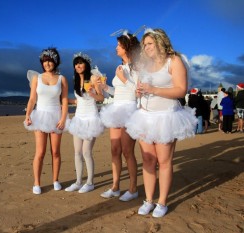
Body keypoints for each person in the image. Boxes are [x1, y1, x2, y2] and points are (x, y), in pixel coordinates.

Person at [125, 28, 197, 217]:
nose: (146, 47)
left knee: (164, 161)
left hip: (167, 116)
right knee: (148, 160)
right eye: (144, 44)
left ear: (160, 42)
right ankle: (148, 200)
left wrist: (153, 89)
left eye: (149, 43)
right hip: (145, 117)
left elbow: (181, 90)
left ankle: (162, 202)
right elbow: (138, 90)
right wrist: (139, 91)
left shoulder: (174, 61)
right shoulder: (144, 65)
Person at [99, 30, 141, 201]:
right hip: (117, 108)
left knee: (127, 151)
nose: (116, 48)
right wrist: (105, 88)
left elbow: (138, 92)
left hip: (130, 109)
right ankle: (115, 187)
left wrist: (123, 78)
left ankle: (133, 189)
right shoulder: (119, 68)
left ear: (127, 47)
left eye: (118, 45)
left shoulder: (138, 67)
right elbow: (118, 92)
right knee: (114, 149)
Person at [24, 47, 69, 194]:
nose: (47, 64)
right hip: (40, 116)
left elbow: (64, 100)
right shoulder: (37, 78)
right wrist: (28, 115)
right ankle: (37, 183)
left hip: (56, 116)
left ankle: (55, 180)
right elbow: (32, 99)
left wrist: (63, 118)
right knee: (40, 152)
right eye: (44, 61)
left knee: (55, 151)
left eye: (49, 61)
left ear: (55, 61)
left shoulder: (62, 79)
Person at [65, 53, 104, 193]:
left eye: (81, 63)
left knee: (86, 152)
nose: (78, 66)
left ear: (86, 65)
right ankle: (78, 182)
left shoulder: (93, 78)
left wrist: (92, 92)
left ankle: (90, 182)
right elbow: (78, 100)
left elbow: (101, 98)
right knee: (77, 152)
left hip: (91, 118)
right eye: (76, 64)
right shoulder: (76, 79)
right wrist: (63, 100)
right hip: (78, 118)